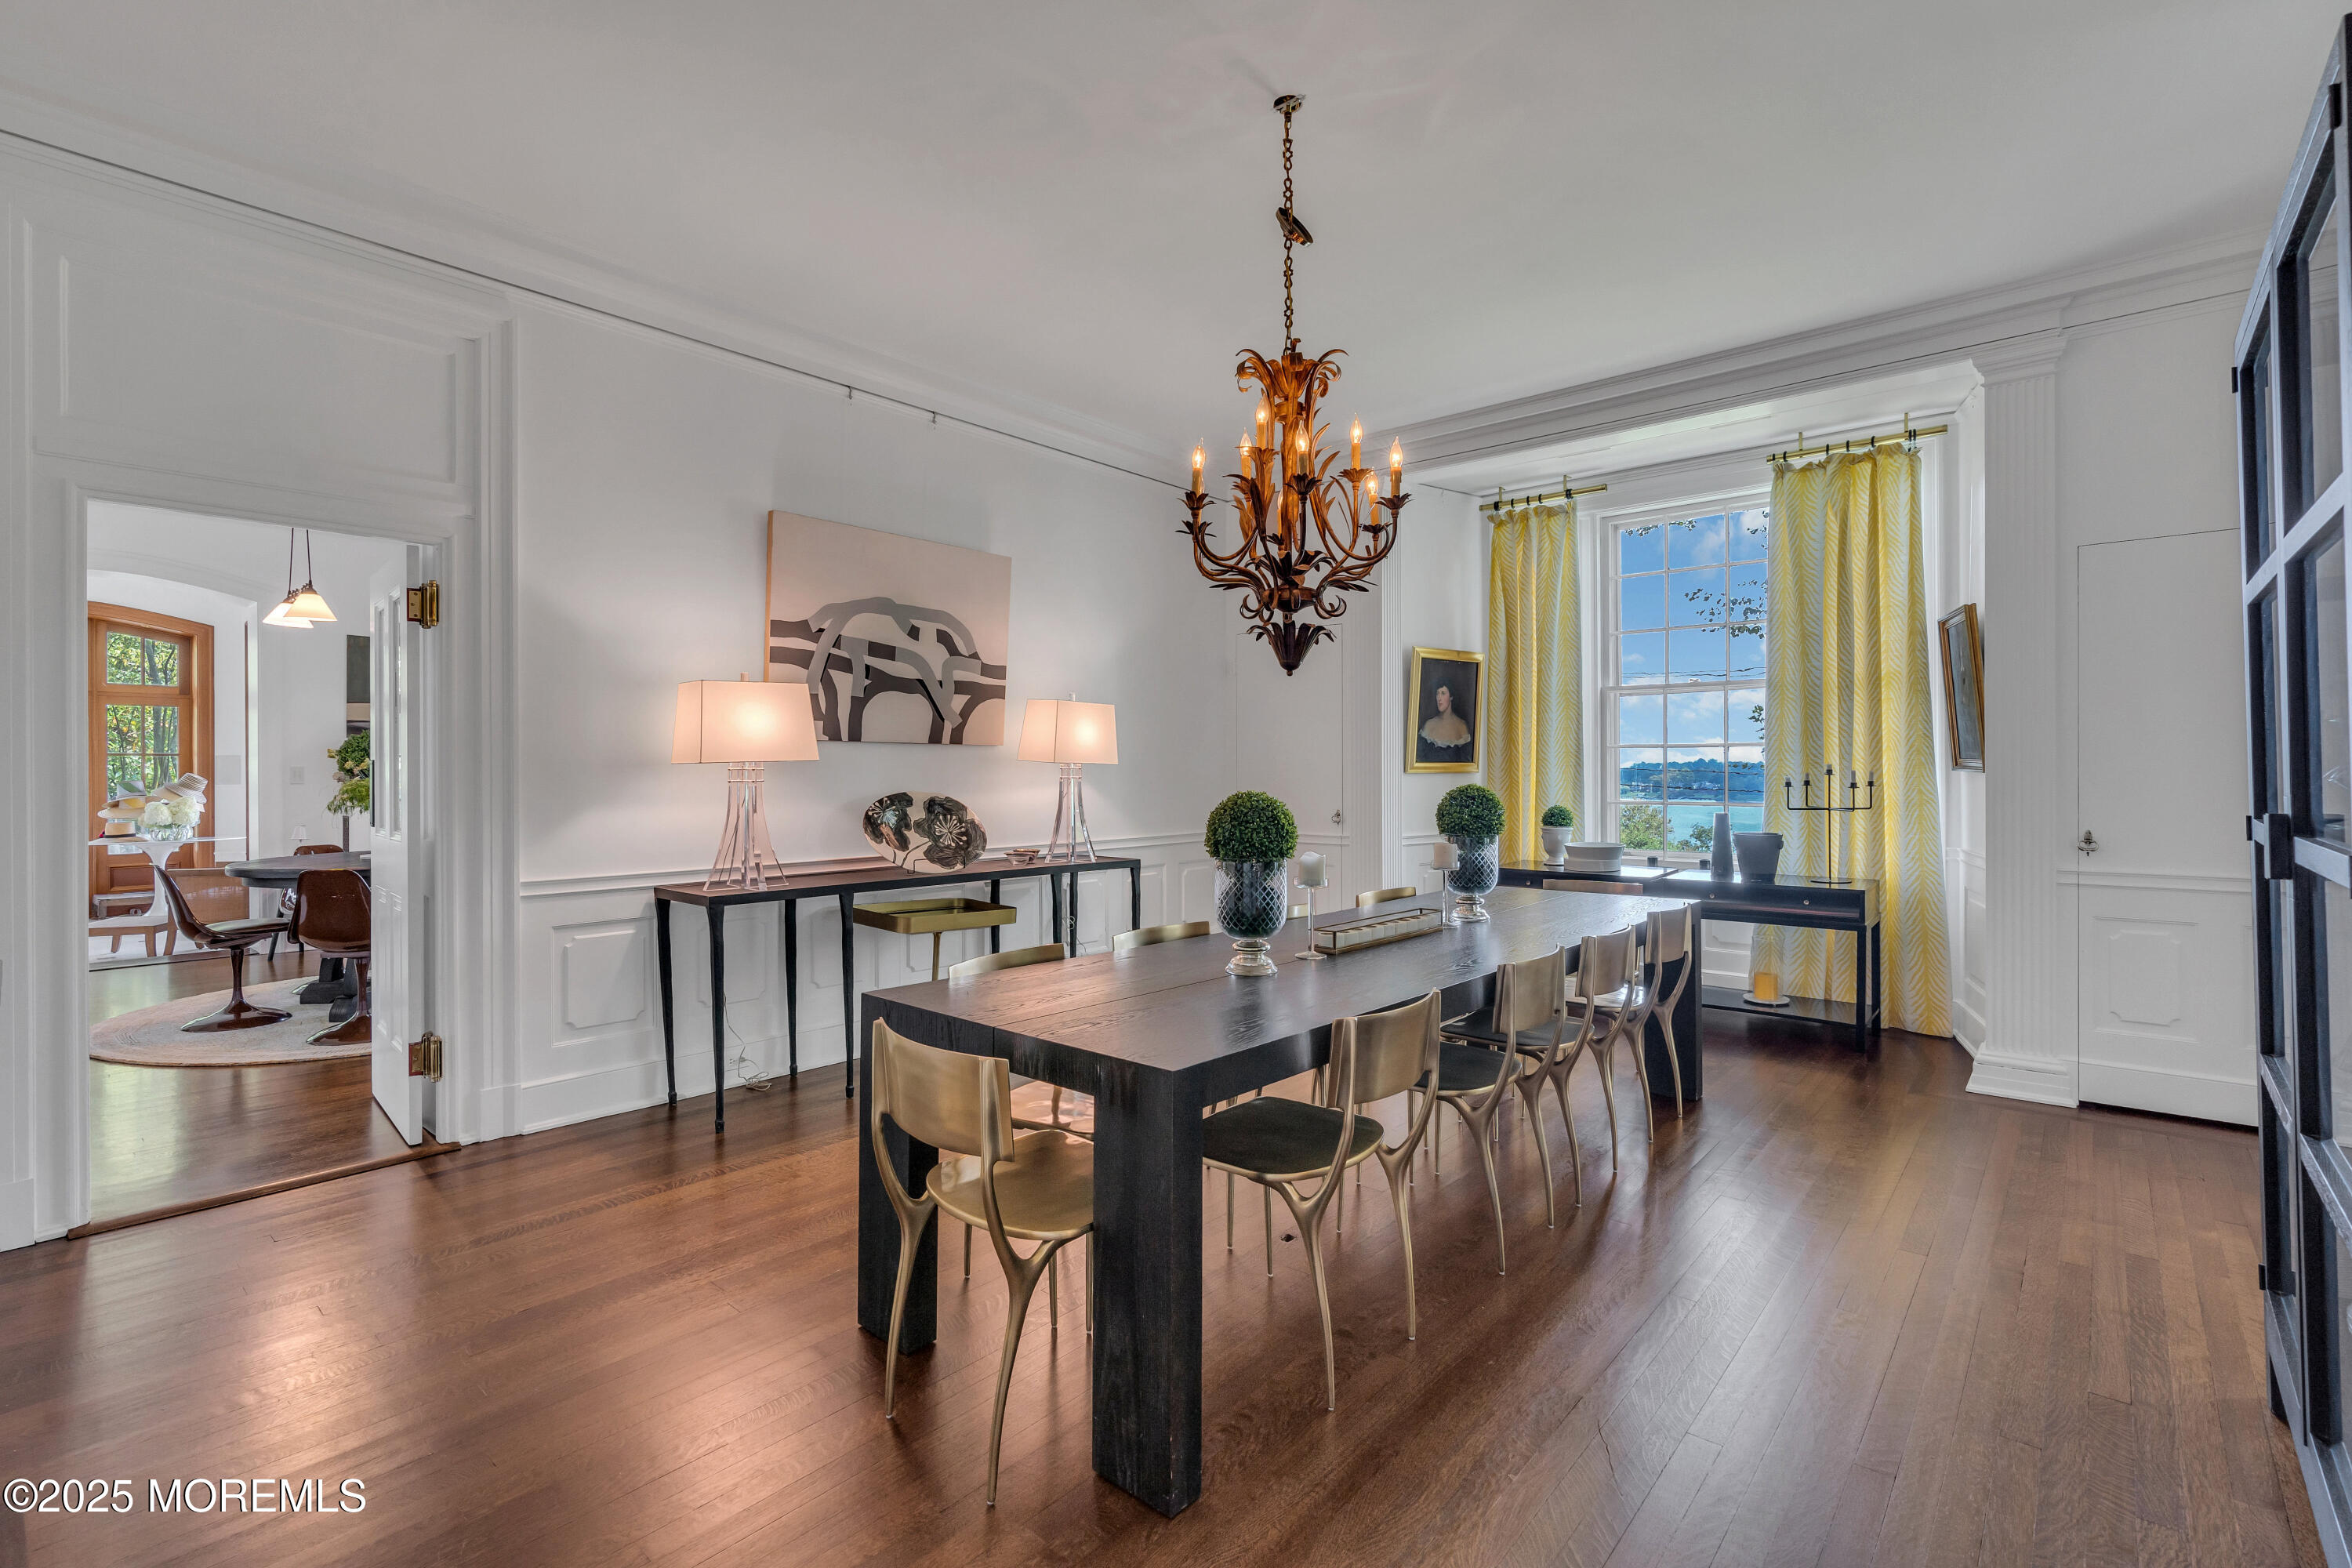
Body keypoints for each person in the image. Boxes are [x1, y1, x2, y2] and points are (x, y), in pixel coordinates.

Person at [1419, 681, 1472, 759]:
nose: (1439, 698)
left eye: (1443, 693)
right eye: (1437, 693)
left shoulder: (1462, 727)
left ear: (1451, 697)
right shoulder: (1429, 725)